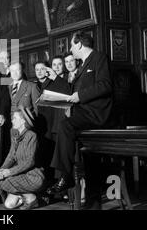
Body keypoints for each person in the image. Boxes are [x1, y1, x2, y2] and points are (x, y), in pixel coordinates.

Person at [46, 32, 113, 202]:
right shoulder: (83, 65)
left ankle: (66, 175)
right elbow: (72, 90)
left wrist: (80, 96)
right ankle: (68, 176)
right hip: (83, 113)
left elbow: (105, 85)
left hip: (96, 114)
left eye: (71, 46)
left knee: (65, 126)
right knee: (64, 125)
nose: (70, 49)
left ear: (80, 45)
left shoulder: (99, 58)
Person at [0, 106, 45, 210]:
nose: (12, 120)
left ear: (23, 121)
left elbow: (29, 162)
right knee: (8, 204)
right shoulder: (15, 135)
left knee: (4, 182)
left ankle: (32, 197)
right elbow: (11, 157)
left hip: (33, 176)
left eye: (15, 118)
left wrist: (9, 172)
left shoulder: (31, 136)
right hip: (20, 175)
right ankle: (29, 197)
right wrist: (2, 169)